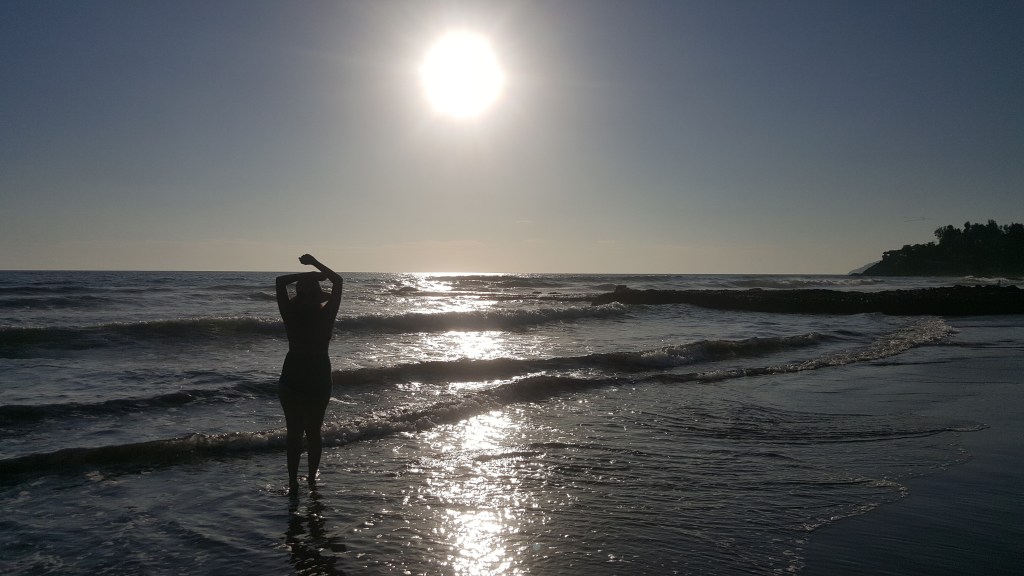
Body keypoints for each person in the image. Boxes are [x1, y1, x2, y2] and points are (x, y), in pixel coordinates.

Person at [276, 254, 343, 495]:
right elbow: (338, 281)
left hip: (294, 372)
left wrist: (308, 274)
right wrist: (314, 264)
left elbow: (280, 281)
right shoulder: (327, 314)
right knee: (313, 432)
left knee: (294, 432)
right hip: (317, 373)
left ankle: (294, 482)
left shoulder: (289, 313)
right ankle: (311, 481)